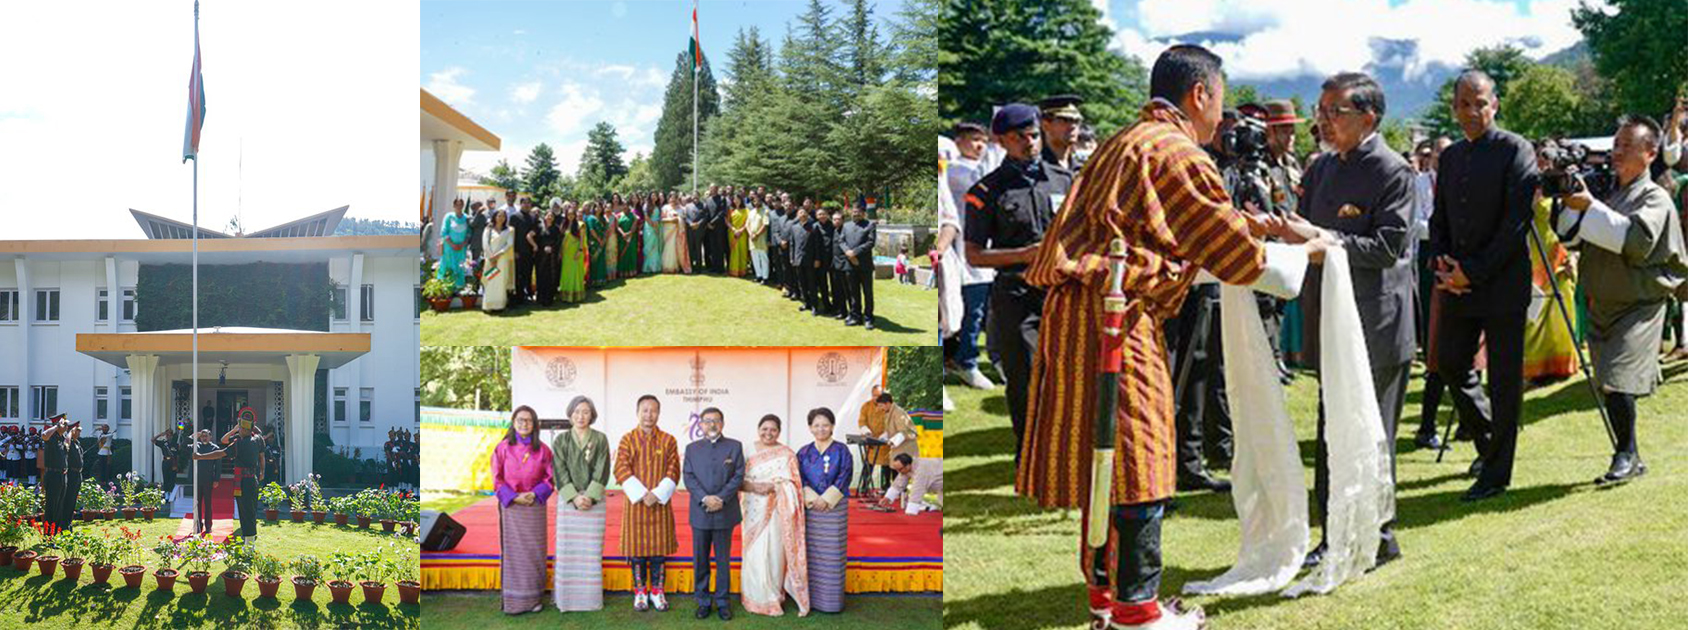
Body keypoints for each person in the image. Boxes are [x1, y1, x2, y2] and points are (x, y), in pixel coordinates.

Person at [1018, 44, 1330, 630]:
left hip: (1081, 309)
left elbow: (1169, 236)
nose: (1220, 116)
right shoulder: (1174, 149)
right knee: (1139, 456)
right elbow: (1230, 251)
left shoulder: (1124, 141)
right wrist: (1299, 252)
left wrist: (1247, 228)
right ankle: (1138, 610)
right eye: (1220, 99)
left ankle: (1106, 598)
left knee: (1104, 458)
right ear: (1200, 95)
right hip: (1113, 316)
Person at [1294, 71, 1416, 570]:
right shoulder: (1322, 169)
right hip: (1330, 318)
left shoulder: (1393, 171)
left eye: (1333, 112)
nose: (1322, 120)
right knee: (1330, 432)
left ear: (1368, 117)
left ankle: (1378, 538)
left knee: (1372, 433)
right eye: (1320, 111)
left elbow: (1389, 246)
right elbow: (1307, 230)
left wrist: (1330, 242)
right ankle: (1333, 535)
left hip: (1377, 322)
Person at [1553, 114, 1688, 483]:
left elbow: (1634, 241)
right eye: (1615, 145)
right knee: (1609, 381)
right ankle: (1632, 455)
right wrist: (1568, 201)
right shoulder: (1608, 192)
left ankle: (1625, 454)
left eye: (1627, 146)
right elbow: (1570, 238)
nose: (1617, 152)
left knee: (1618, 379)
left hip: (1639, 305)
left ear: (1650, 153)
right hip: (1602, 302)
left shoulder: (1654, 196)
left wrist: (1589, 207)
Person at [1426, 69, 1540, 502]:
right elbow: (1440, 219)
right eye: (1464, 104)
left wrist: (1471, 271)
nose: (1473, 111)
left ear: (1495, 104)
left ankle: (1496, 474)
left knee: (1505, 381)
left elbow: (1516, 224)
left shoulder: (1516, 149)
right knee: (1451, 363)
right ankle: (1491, 445)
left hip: (1502, 284)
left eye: (1481, 103)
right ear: (1454, 108)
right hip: (1456, 283)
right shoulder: (1451, 156)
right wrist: (1442, 263)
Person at [964, 102, 1074, 468]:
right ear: (1001, 140)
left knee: (1067, 379)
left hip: (1063, 293)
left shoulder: (1062, 180)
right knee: (1026, 380)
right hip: (1017, 295)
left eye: (1033, 134)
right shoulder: (987, 190)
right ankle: (1031, 456)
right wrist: (1025, 254)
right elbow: (975, 255)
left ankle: (1066, 452)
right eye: (1019, 136)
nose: (1029, 142)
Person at [939, 122, 998, 389]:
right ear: (959, 141)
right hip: (960, 254)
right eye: (974, 140)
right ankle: (962, 362)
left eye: (984, 141)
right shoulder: (956, 170)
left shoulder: (977, 168)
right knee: (960, 314)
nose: (979, 146)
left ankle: (967, 360)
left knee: (975, 313)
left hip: (982, 255)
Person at [739, 414, 810, 617]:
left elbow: (794, 484)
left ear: (779, 432)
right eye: (764, 429)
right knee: (754, 551)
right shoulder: (747, 450)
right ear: (758, 428)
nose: (768, 433)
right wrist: (753, 486)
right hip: (752, 507)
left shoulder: (786, 454)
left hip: (778, 509)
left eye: (773, 430)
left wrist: (775, 486)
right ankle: (754, 596)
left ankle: (772, 596)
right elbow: (737, 478)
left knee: (774, 551)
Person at [615, 395, 680, 612]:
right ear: (637, 412)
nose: (649, 415)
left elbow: (674, 470)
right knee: (637, 552)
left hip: (660, 504)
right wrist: (643, 494)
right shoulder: (627, 439)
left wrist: (658, 493)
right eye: (645, 410)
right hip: (636, 505)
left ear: (659, 413)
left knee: (658, 552)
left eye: (653, 410)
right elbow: (621, 469)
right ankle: (640, 592)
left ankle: (657, 592)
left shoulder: (669, 440)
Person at [1522, 147, 1581, 384]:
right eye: (1540, 159)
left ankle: (1560, 365)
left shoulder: (1564, 185)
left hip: (1558, 249)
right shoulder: (1527, 184)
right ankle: (1535, 367)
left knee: (1561, 308)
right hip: (1534, 251)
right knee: (1535, 311)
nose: (1544, 164)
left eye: (1549, 160)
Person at [683, 406, 745, 620]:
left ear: (723, 423)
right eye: (707, 421)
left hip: (724, 512)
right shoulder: (692, 449)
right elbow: (689, 477)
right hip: (700, 512)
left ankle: (722, 602)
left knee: (722, 560)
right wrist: (705, 498)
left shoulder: (734, 446)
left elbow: (738, 475)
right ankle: (702, 601)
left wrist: (721, 499)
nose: (712, 425)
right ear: (700, 425)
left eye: (716, 421)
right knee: (700, 559)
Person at [491, 406, 554, 615]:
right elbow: (497, 478)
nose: (524, 424)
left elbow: (550, 477)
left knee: (534, 553)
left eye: (528, 421)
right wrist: (515, 496)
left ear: (534, 425)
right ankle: (514, 601)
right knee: (514, 554)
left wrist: (535, 494)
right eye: (520, 420)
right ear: (513, 422)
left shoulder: (544, 450)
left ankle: (534, 599)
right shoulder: (502, 448)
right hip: (512, 506)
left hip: (535, 506)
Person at [551, 395, 611, 612]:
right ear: (570, 414)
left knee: (591, 551)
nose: (581, 416)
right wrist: (574, 496)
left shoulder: (600, 439)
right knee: (569, 550)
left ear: (592, 415)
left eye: (585, 412)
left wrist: (590, 496)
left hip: (594, 502)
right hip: (569, 502)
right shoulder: (561, 441)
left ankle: (590, 600)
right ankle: (567, 600)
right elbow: (559, 471)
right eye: (576, 412)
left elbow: (602, 469)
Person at [797, 408, 852, 614]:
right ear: (810, 428)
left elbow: (845, 475)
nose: (821, 428)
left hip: (834, 508)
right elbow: (798, 477)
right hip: (810, 509)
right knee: (811, 553)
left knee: (832, 553)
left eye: (825, 424)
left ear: (832, 426)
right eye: (816, 425)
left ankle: (831, 602)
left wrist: (827, 499)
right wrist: (812, 498)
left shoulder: (842, 450)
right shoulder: (803, 452)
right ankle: (810, 598)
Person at [840, 205, 877, 328]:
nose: (856, 214)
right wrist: (848, 253)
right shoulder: (846, 225)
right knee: (853, 292)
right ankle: (856, 317)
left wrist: (855, 252)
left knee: (867, 293)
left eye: (858, 212)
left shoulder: (870, 225)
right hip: (850, 264)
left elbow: (870, 242)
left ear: (863, 213)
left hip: (865, 265)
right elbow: (841, 241)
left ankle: (868, 318)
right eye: (854, 211)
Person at [481, 208, 514, 312]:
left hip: (502, 260)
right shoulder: (488, 230)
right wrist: (491, 257)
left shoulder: (508, 230)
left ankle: (499, 305)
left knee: (500, 281)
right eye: (499, 216)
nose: (501, 218)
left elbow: (509, 244)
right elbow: (485, 244)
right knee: (490, 280)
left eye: (503, 216)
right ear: (494, 217)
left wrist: (498, 255)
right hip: (490, 260)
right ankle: (488, 305)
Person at [438, 198, 470, 291]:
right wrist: (452, 244)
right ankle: (445, 288)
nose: (459, 207)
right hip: (449, 248)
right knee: (447, 265)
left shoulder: (466, 217)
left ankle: (459, 288)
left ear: (463, 206)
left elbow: (469, 233)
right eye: (457, 205)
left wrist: (463, 244)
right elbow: (444, 232)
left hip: (461, 249)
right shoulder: (449, 216)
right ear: (454, 206)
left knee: (459, 266)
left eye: (461, 205)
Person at [533, 205, 562, 306]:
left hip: (552, 256)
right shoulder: (539, 227)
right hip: (540, 255)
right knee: (540, 275)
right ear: (544, 216)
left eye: (552, 216)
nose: (549, 217)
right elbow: (532, 237)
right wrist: (538, 246)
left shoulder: (556, 228)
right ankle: (540, 297)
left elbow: (559, 241)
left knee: (551, 277)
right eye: (548, 215)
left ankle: (549, 298)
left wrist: (553, 249)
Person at [560, 204, 589, 303]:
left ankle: (576, 295)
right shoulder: (564, 225)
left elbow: (582, 240)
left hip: (576, 252)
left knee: (575, 273)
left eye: (572, 214)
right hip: (566, 253)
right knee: (566, 274)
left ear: (575, 214)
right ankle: (566, 295)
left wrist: (580, 251)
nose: (570, 216)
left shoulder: (580, 225)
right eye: (569, 214)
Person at [511, 197, 537, 304]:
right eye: (524, 203)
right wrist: (514, 250)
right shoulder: (515, 217)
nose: (526, 205)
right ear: (520, 204)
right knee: (518, 275)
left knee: (528, 273)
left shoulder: (533, 217)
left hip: (530, 251)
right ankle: (519, 297)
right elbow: (511, 235)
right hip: (519, 251)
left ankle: (529, 295)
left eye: (528, 203)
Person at [60, 422, 84, 531]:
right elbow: (66, 444)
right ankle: (64, 524)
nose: (79, 432)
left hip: (78, 474)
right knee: (68, 500)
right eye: (77, 430)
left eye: (79, 430)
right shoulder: (67, 442)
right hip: (71, 475)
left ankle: (68, 523)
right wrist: (69, 432)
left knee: (73, 500)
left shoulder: (77, 443)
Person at [814, 208, 836, 316]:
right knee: (823, 284)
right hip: (820, 259)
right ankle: (826, 305)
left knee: (835, 283)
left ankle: (837, 305)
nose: (822, 216)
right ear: (817, 216)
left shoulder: (833, 225)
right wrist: (816, 259)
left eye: (823, 214)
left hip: (833, 258)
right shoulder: (815, 226)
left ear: (827, 215)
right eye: (819, 214)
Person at [153, 425, 182, 504]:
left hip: (173, 462)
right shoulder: (163, 443)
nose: (168, 436)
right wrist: (160, 435)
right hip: (165, 462)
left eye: (169, 434)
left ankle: (172, 494)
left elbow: (178, 455)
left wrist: (176, 465)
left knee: (172, 479)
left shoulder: (175, 444)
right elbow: (153, 440)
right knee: (166, 478)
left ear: (172, 435)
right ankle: (166, 495)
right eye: (167, 434)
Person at [585, 202, 609, 286]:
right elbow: (592, 230)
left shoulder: (602, 218)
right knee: (594, 262)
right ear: (593, 208)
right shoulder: (590, 218)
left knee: (602, 261)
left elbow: (606, 229)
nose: (598, 209)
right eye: (596, 207)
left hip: (602, 242)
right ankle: (594, 281)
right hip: (594, 243)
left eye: (600, 207)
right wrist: (599, 240)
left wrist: (604, 239)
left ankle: (601, 280)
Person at [748, 195, 770, 283]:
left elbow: (765, 224)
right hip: (752, 238)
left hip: (761, 238)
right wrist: (751, 234)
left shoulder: (765, 211)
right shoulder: (751, 212)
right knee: (755, 257)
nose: (756, 202)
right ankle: (758, 276)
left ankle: (765, 277)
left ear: (761, 201)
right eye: (754, 201)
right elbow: (747, 224)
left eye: (758, 201)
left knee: (763, 258)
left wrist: (756, 235)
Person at [616, 197, 639, 279]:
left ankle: (632, 272)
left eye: (627, 205)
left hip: (631, 238)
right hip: (622, 238)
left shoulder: (633, 215)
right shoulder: (618, 215)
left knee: (631, 254)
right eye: (623, 205)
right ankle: (622, 272)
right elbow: (617, 226)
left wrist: (629, 233)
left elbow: (635, 225)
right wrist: (623, 234)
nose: (625, 206)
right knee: (623, 254)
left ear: (629, 206)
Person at [661, 193, 684, 273]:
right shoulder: (665, 208)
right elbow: (662, 220)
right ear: (669, 199)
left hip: (677, 231)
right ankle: (667, 266)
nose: (673, 200)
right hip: (668, 230)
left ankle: (675, 266)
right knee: (668, 248)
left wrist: (678, 219)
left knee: (675, 248)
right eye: (671, 198)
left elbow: (683, 219)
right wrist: (671, 220)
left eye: (675, 198)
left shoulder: (680, 208)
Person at [642, 196, 665, 275]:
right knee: (649, 245)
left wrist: (657, 223)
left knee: (656, 246)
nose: (654, 197)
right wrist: (653, 225)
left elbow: (660, 216)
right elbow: (646, 217)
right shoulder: (646, 205)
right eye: (652, 195)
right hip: (649, 227)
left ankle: (656, 267)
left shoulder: (658, 206)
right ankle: (648, 267)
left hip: (657, 226)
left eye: (655, 195)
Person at [729, 199, 750, 278]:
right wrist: (734, 229)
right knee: (734, 252)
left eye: (738, 199)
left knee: (742, 251)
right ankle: (734, 271)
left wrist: (741, 230)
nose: (736, 201)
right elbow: (727, 221)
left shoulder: (746, 210)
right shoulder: (731, 210)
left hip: (742, 233)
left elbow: (748, 221)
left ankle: (743, 271)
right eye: (735, 200)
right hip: (732, 233)